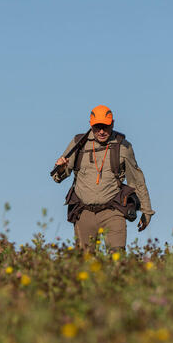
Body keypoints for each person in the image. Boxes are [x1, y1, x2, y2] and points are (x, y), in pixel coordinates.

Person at [52, 104, 154, 251]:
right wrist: (60, 168)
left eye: (105, 127)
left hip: (113, 211)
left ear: (112, 124)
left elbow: (136, 181)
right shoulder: (78, 143)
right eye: (97, 127)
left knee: (117, 259)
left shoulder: (123, 147)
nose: (101, 131)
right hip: (84, 213)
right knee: (84, 263)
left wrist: (147, 211)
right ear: (90, 125)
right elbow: (58, 177)